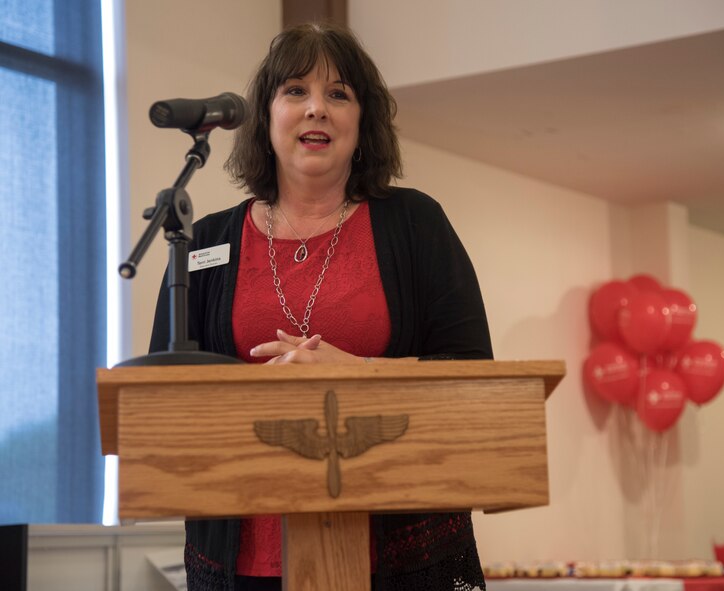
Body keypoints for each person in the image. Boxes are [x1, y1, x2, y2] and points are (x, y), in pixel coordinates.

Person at [149, 22, 493, 591]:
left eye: (339, 94)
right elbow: (165, 401)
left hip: (400, 556)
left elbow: (473, 377)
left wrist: (355, 373)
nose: (317, 109)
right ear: (265, 117)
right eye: (295, 91)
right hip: (242, 563)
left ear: (363, 123)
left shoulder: (415, 224)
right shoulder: (203, 242)